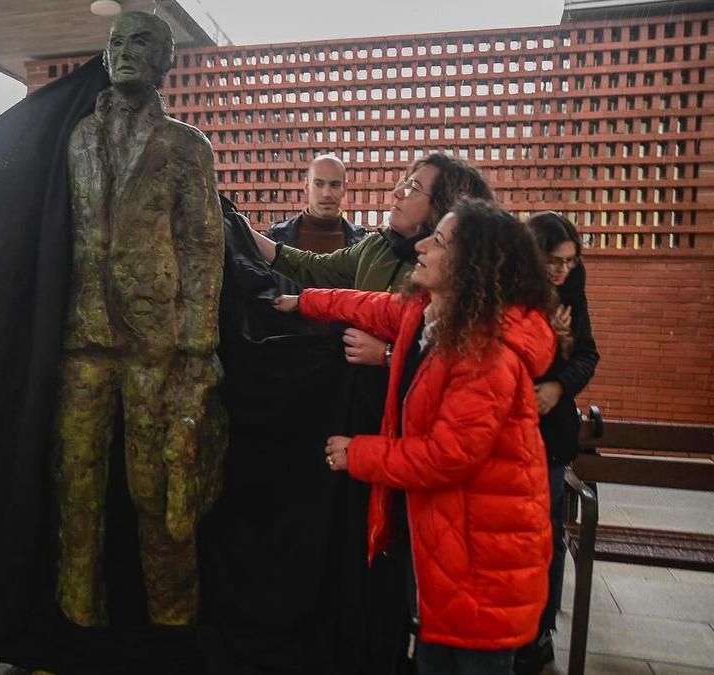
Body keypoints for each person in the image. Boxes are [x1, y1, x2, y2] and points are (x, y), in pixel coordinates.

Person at [276, 199, 557, 674]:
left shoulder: (484, 350)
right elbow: (365, 303)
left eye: (439, 241)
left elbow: (448, 456)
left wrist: (358, 453)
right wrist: (302, 301)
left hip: (485, 571)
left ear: (472, 265)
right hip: (455, 555)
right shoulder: (432, 316)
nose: (422, 245)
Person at [254, 152, 494, 673]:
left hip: (459, 522)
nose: (395, 193)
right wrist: (303, 301)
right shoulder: (394, 260)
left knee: (452, 627)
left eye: (412, 187)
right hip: (395, 459)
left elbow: (444, 442)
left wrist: (385, 361)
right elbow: (365, 303)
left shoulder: (475, 322)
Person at [55, 9, 225, 627]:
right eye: (116, 42)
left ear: (165, 61)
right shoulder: (74, 139)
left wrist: (198, 341)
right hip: (83, 333)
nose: (126, 52)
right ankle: (78, 619)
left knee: (159, 488)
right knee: (75, 486)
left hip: (156, 340)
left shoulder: (185, 145)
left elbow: (205, 245)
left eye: (142, 42)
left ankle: (173, 621)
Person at [514, 212, 599, 675]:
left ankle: (539, 634)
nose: (563, 270)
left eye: (570, 260)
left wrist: (558, 386)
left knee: (545, 536)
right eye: (553, 261)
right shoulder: (504, 288)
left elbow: (588, 353)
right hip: (508, 430)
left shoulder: (572, 287)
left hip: (551, 435)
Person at [266, 154, 365, 254]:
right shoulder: (275, 239)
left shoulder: (363, 244)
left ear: (344, 188)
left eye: (334, 185)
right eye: (319, 184)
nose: (326, 194)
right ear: (307, 186)